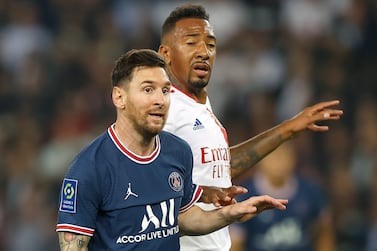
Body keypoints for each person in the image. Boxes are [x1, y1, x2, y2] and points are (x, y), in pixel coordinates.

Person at [55, 49, 288, 251]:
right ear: (119, 97)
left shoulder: (177, 152)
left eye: (165, 91)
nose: (160, 100)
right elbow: (74, 244)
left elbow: (182, 219)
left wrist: (230, 215)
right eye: (148, 90)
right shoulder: (89, 168)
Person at [158, 4, 343, 251]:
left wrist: (288, 129)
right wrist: (204, 195)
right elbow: (148, 183)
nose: (203, 52)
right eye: (191, 43)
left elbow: (223, 167)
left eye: (210, 45)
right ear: (165, 54)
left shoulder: (198, 108)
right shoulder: (164, 109)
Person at [230, 142, 336, 251]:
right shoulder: (244, 196)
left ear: (293, 158)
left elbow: (324, 233)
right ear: (260, 159)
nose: (279, 161)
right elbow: (236, 244)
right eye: (272, 155)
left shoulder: (311, 191)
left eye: (283, 154)